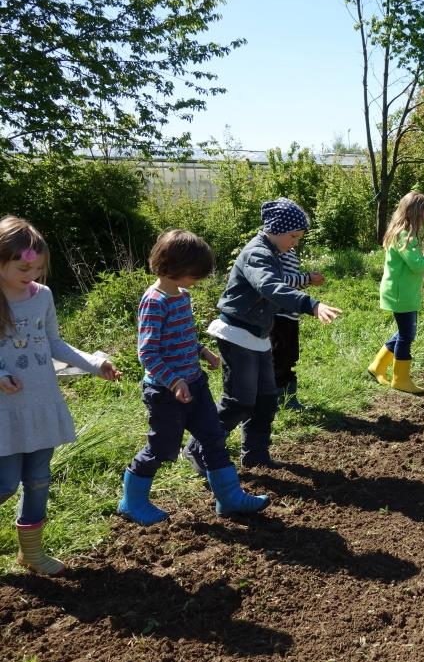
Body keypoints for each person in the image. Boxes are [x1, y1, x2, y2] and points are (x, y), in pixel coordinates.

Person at [120, 230, 269, 525]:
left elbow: (182, 335)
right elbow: (148, 352)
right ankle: (132, 502)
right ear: (173, 266)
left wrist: (203, 352)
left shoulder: (182, 295)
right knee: (160, 449)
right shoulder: (154, 301)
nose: (197, 280)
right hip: (165, 394)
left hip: (195, 385)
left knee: (213, 439)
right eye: (194, 274)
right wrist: (174, 382)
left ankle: (229, 498)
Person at [0, 216, 121, 575]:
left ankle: (32, 554)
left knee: (38, 480)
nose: (31, 274)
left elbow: (54, 342)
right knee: (5, 483)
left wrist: (94, 363)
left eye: (37, 267)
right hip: (6, 411)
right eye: (22, 267)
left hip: (41, 404)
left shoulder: (43, 297)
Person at [184, 198, 340, 473]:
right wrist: (309, 304)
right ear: (276, 229)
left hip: (258, 334)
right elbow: (268, 286)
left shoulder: (274, 252)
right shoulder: (257, 253)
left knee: (266, 398)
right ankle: (197, 448)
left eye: (299, 238)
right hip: (236, 333)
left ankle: (255, 455)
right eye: (293, 236)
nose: (295, 242)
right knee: (239, 401)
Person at [367, 191, 424, 394]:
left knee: (403, 332)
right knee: (407, 335)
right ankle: (400, 379)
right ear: (415, 213)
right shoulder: (404, 235)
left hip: (402, 292)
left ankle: (377, 367)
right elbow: (416, 265)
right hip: (401, 294)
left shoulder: (402, 232)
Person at [272, 245, 326, 411]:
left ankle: (290, 400)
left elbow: (292, 284)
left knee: (289, 357)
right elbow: (279, 281)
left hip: (291, 314)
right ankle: (274, 400)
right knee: (278, 359)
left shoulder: (290, 250)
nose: (297, 240)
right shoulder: (274, 250)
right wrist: (307, 278)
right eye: (294, 235)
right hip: (277, 315)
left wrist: (308, 280)